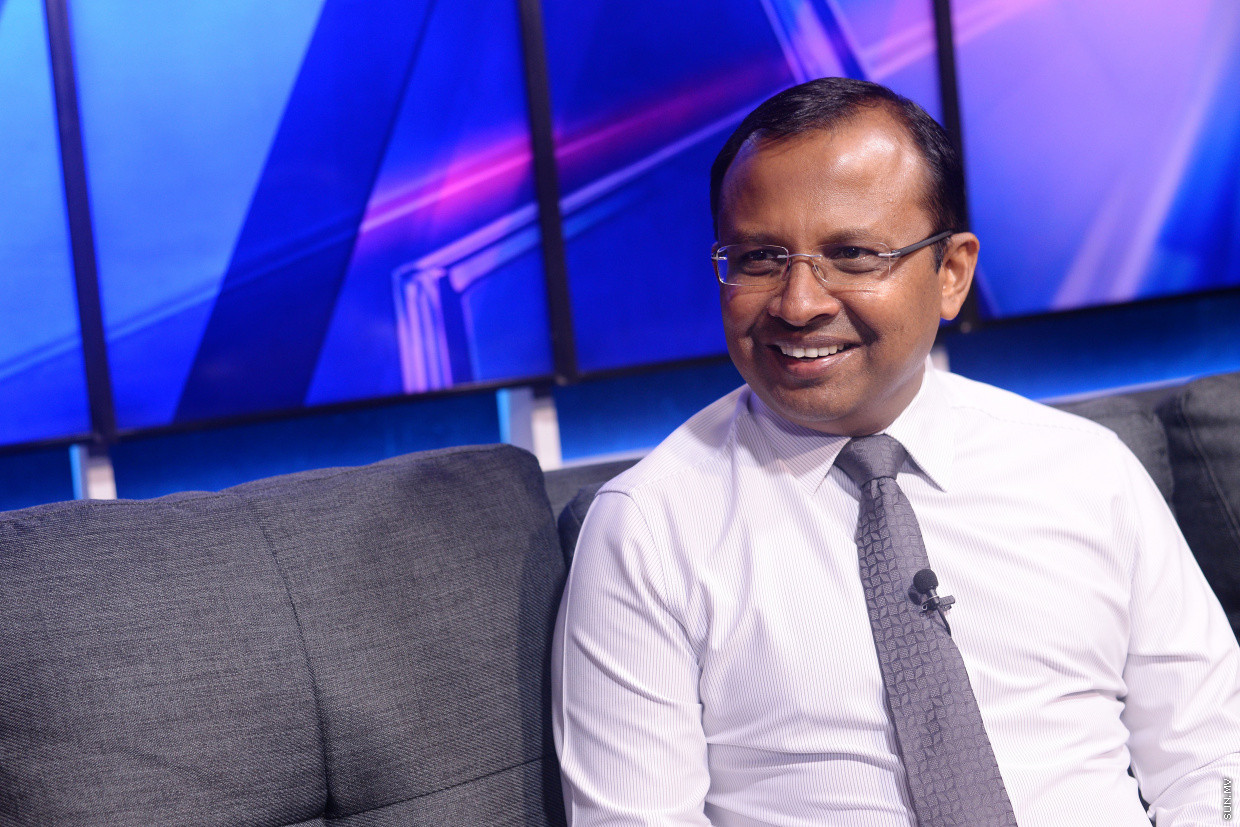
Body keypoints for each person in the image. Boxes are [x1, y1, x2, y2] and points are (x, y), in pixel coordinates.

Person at [551, 77, 1240, 825]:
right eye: (759, 258)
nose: (799, 303)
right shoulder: (647, 529)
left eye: (852, 254)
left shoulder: (1087, 472)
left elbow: (1215, 756)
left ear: (952, 274)